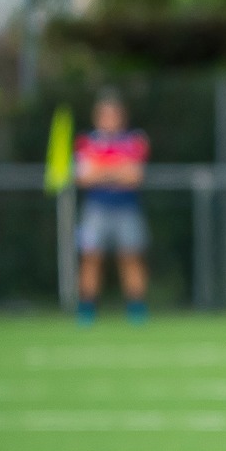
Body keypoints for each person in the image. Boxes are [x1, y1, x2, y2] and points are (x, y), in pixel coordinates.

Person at [72, 92, 151, 324]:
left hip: (127, 209)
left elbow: (134, 176)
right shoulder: (87, 141)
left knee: (131, 256)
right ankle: (87, 309)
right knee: (91, 257)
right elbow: (85, 178)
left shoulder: (135, 139)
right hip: (96, 209)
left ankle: (137, 310)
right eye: (105, 115)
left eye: (114, 115)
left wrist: (101, 170)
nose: (110, 119)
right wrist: (117, 170)